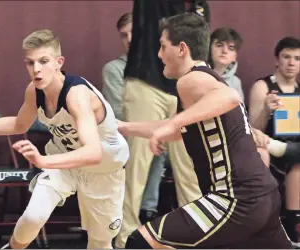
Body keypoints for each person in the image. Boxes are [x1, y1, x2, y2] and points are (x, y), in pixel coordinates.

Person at [118, 13, 291, 248]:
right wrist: (122, 127)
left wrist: (170, 125)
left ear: (181, 49)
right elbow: (182, 128)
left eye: (162, 46)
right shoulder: (206, 79)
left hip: (235, 198)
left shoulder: (191, 80)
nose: (159, 55)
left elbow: (228, 97)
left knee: (142, 242)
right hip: (263, 195)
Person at [0, 29, 129, 249]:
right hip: (63, 162)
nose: (36, 69)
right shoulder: (34, 90)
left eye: (43, 61)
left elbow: (93, 153)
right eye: (30, 63)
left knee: (100, 243)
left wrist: (43, 161)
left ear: (59, 62)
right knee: (33, 217)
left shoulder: (77, 95)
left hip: (103, 168)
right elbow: (19, 124)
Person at [115, 1, 208, 247]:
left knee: (190, 167)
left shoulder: (200, 6)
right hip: (147, 82)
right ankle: (125, 238)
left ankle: (195, 236)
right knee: (136, 166)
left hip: (184, 87)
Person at [102, 12, 168, 226]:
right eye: (124, 35)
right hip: (129, 133)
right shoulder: (114, 69)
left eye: (134, 33)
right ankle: (144, 212)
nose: (129, 39)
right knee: (151, 143)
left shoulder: (165, 65)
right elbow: (117, 113)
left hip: (167, 131)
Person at [248, 36, 300, 247]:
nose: (291, 63)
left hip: (294, 151)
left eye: (297, 58)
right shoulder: (263, 86)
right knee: (263, 150)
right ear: (277, 60)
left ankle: (293, 232)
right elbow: (253, 130)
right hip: (268, 145)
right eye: (286, 57)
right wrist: (267, 111)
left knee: (297, 166)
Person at [208, 27, 245, 102]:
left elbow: (239, 112)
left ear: (235, 56)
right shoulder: (198, 74)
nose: (224, 51)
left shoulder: (235, 83)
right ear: (209, 48)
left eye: (231, 48)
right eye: (219, 45)